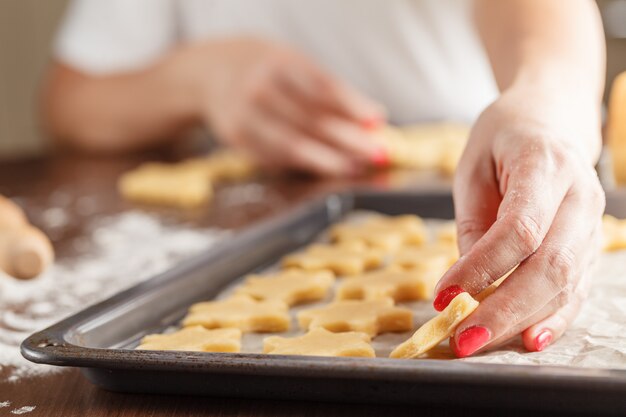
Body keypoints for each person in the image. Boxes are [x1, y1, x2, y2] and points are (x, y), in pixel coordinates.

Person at [42, 0, 606, 358]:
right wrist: (197, 78)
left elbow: (541, 15)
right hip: (243, 215)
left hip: (476, 187)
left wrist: (547, 102)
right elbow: (70, 100)